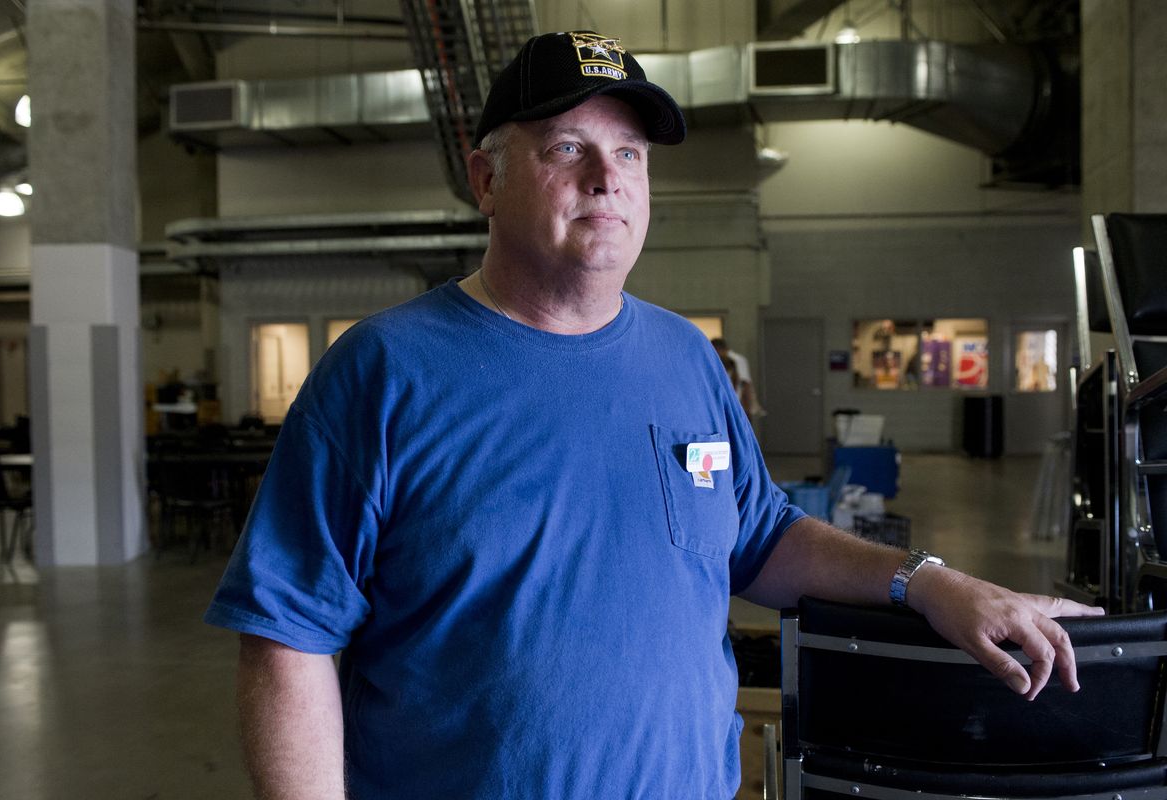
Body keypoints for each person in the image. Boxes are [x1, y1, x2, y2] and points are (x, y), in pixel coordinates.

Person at [205, 30, 1101, 800]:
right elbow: (288, 638)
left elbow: (759, 536)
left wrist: (931, 582)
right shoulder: (383, 371)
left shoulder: (685, 358)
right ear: (485, 177)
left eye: (630, 154)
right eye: (566, 148)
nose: (608, 178)